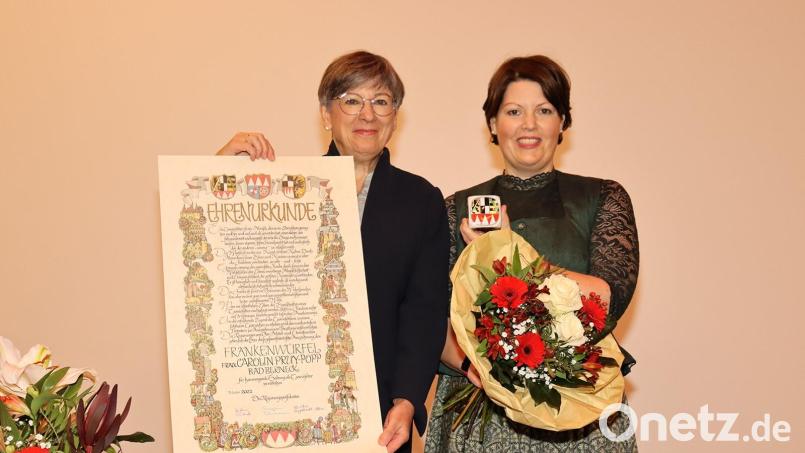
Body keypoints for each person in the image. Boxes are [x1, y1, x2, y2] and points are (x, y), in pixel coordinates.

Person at [217, 51, 450, 453]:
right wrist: (221, 170)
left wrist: (407, 400)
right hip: (280, 406)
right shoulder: (285, 190)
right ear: (326, 114)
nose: (367, 114)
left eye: (381, 101)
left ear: (395, 117)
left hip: (379, 415)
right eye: (351, 100)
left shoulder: (421, 201)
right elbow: (228, 265)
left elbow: (424, 311)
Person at [425, 55, 639, 452]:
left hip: (580, 411)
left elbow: (608, 299)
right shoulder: (454, 209)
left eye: (544, 110)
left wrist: (506, 250)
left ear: (563, 122)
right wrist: (474, 368)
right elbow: (430, 316)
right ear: (493, 124)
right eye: (513, 111)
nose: (529, 124)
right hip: (479, 412)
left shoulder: (602, 197)